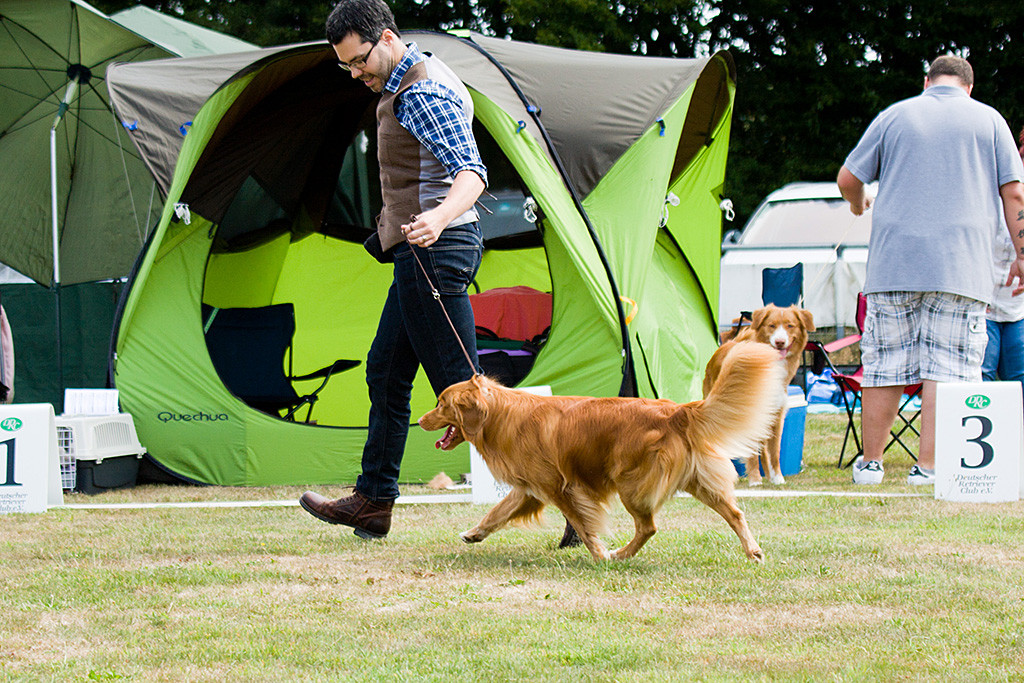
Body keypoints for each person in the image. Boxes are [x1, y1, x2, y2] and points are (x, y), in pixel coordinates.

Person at [300, 0, 487, 537]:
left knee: (471, 398)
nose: (356, 74)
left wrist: (437, 218)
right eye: (346, 66)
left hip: (436, 250)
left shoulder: (422, 92)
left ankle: (567, 498)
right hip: (418, 254)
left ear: (385, 38)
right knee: (385, 371)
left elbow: (471, 173)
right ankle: (373, 499)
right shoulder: (405, 82)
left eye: (359, 61)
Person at [837, 55, 1024, 486]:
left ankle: (870, 464)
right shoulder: (990, 120)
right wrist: (1021, 253)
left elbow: (849, 178)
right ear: (969, 87)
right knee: (949, 367)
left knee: (884, 365)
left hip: (893, 264)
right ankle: (929, 468)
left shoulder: (894, 115)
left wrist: (857, 203)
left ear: (927, 82)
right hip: (962, 265)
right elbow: (1013, 193)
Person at [983, 128, 1024, 396]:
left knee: (1020, 380)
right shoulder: (990, 187)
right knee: (979, 379)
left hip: (1018, 310)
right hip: (980, 304)